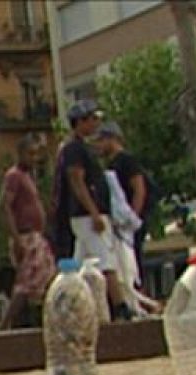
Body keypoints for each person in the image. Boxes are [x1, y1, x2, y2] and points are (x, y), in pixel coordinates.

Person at [54, 101, 128, 319]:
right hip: (86, 215)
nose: (97, 123)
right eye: (93, 119)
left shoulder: (81, 148)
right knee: (104, 259)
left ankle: (71, 306)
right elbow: (77, 180)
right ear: (82, 121)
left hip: (85, 214)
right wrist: (94, 212)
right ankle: (120, 306)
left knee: (80, 261)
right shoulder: (74, 149)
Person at [0, 135, 56, 330]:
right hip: (25, 236)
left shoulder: (28, 177)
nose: (33, 158)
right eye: (30, 153)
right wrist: (16, 239)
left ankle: (39, 321)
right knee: (26, 284)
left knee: (45, 277)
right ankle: (5, 325)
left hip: (36, 235)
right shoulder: (14, 176)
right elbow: (4, 205)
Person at [96, 121, 151, 287]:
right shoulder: (110, 164)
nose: (98, 146)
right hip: (119, 222)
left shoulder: (126, 161)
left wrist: (132, 216)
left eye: (100, 140)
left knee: (133, 260)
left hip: (129, 220)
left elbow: (139, 188)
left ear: (111, 139)